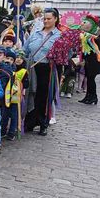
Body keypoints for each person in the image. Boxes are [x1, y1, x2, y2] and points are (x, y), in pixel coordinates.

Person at [23, 8, 62, 136]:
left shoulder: (59, 36)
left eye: (49, 18)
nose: (45, 21)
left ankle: (42, 123)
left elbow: (65, 54)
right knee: (30, 94)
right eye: (44, 18)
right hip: (32, 67)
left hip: (47, 68)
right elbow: (25, 50)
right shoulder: (36, 33)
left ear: (55, 19)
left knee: (43, 96)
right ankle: (30, 122)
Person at [2, 50, 28, 140]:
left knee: (14, 115)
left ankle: (12, 132)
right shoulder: (7, 68)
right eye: (17, 57)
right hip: (7, 95)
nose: (18, 59)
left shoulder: (23, 71)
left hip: (16, 97)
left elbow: (26, 84)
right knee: (5, 114)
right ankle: (3, 131)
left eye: (21, 58)